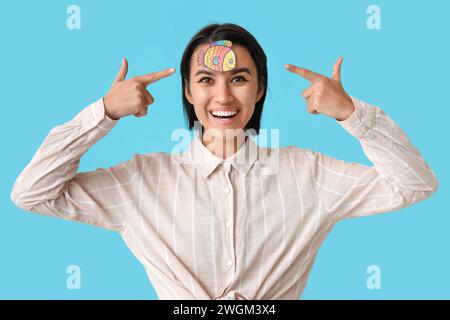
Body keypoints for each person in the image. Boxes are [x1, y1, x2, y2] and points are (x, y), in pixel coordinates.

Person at [10, 23, 438, 300]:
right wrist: (102, 113)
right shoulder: (141, 182)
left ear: (261, 88)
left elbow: (414, 184)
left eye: (238, 79)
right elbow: (32, 193)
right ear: (187, 91)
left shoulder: (308, 175)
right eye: (206, 80)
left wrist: (351, 114)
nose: (223, 96)